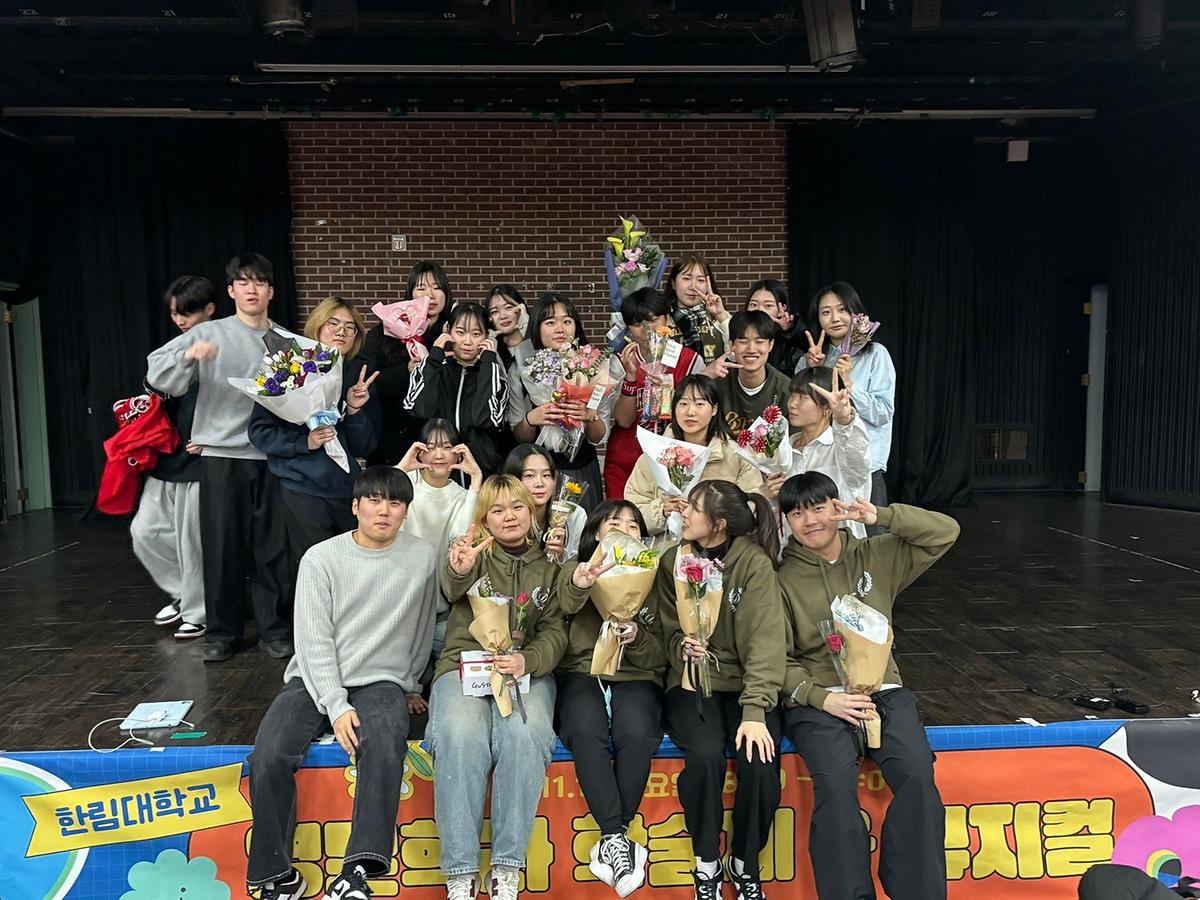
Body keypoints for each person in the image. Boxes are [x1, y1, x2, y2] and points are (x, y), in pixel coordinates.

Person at [246, 466, 438, 900]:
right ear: (355, 507)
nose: (383, 511)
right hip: (315, 677)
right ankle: (276, 875)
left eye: (395, 502)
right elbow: (312, 639)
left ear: (406, 511)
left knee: (385, 743)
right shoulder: (321, 558)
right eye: (374, 500)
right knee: (270, 753)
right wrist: (335, 703)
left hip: (381, 679)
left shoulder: (422, 556)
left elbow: (423, 624)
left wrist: (411, 684)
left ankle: (358, 870)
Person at [777, 472, 960, 900]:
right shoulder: (781, 578)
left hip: (885, 692)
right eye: (797, 514)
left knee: (918, 776)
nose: (810, 521)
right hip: (822, 702)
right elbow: (773, 658)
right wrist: (823, 699)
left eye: (819, 508)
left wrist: (882, 516)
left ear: (837, 508)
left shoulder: (876, 555)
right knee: (836, 789)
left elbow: (946, 533)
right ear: (786, 521)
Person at [428, 475, 579, 900]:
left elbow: (556, 632)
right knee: (460, 734)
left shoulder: (551, 564)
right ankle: (460, 872)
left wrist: (528, 659)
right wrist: (459, 567)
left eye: (517, 507)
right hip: (465, 665)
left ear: (532, 512)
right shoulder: (473, 553)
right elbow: (452, 585)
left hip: (526, 670)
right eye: (497, 510)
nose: (509, 517)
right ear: (484, 520)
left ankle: (506, 867)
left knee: (523, 734)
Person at [146, 252, 297, 663]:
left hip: (270, 456)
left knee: (273, 549)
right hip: (220, 455)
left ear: (271, 291)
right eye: (243, 283)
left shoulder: (286, 341)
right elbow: (157, 374)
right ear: (231, 291)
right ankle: (221, 633)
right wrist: (188, 356)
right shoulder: (208, 332)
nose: (252, 290)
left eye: (259, 282)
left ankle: (275, 630)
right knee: (222, 545)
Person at [653, 480, 786, 900]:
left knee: (760, 761)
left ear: (719, 523)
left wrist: (755, 712)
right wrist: (681, 646)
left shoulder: (753, 565)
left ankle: (745, 863)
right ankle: (706, 863)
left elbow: (766, 643)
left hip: (747, 686)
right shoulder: (674, 559)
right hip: (691, 682)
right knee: (706, 755)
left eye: (694, 508)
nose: (685, 512)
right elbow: (664, 627)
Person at [555, 501, 665, 898]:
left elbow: (661, 654)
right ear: (596, 532)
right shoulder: (576, 567)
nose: (623, 529)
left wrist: (636, 637)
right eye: (613, 522)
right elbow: (564, 604)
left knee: (636, 731)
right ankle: (616, 837)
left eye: (633, 525)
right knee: (586, 729)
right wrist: (582, 582)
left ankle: (613, 838)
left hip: (635, 676)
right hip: (582, 673)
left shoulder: (654, 577)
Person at [249, 297, 381, 568]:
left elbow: (364, 447)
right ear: (317, 327)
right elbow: (260, 432)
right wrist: (303, 442)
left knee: (348, 568)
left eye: (350, 327)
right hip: (300, 488)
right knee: (313, 569)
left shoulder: (358, 377)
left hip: (346, 490)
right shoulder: (287, 368)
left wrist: (354, 410)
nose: (341, 332)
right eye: (334, 323)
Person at [135, 275, 216, 639]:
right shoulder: (180, 345)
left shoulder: (224, 341)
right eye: (174, 313)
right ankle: (183, 593)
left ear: (210, 309)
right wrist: (186, 355)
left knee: (192, 541)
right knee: (146, 531)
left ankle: (199, 611)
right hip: (168, 452)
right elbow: (156, 380)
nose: (181, 320)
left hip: (201, 459)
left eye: (188, 312)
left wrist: (215, 437)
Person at [395, 419, 485, 713]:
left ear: (458, 452)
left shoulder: (461, 496)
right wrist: (402, 469)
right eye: (431, 446)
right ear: (419, 451)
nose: (438, 454)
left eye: (446, 447)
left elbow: (460, 537)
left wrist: (476, 479)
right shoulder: (406, 486)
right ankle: (409, 687)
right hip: (405, 596)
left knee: (447, 661)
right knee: (405, 652)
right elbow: (380, 505)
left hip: (442, 599)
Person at [507, 293, 618, 510]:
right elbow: (518, 435)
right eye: (550, 322)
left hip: (582, 468)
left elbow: (598, 437)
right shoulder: (522, 369)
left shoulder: (593, 368)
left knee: (582, 528)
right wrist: (532, 419)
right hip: (538, 474)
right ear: (537, 327)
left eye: (567, 321)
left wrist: (590, 415)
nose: (560, 329)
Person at [801, 281, 896, 525]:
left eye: (842, 309)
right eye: (826, 312)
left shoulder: (876, 354)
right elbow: (799, 409)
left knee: (870, 537)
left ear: (856, 313)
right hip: (822, 465)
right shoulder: (812, 358)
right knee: (825, 532)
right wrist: (811, 370)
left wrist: (850, 384)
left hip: (864, 466)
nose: (835, 318)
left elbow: (883, 413)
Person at [624, 375, 763, 540]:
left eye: (699, 404)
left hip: (720, 548)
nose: (690, 412)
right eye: (683, 404)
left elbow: (752, 506)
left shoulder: (737, 455)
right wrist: (661, 511)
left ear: (714, 409)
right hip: (665, 549)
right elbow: (630, 515)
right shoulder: (653, 454)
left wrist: (711, 515)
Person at [606, 286, 705, 499]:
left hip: (676, 459)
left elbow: (699, 415)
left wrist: (670, 392)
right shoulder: (621, 360)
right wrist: (631, 378)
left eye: (653, 320)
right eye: (636, 324)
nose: (647, 329)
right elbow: (623, 421)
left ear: (667, 318)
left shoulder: (690, 360)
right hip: (627, 459)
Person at [360, 260, 454, 466]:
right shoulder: (384, 332)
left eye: (437, 287)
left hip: (440, 446)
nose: (430, 295)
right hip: (392, 443)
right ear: (410, 293)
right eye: (421, 288)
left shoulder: (455, 334)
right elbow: (367, 382)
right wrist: (406, 371)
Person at [762, 367, 872, 539]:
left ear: (827, 408)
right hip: (794, 547)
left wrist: (844, 419)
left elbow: (856, 462)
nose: (792, 403)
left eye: (803, 397)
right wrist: (768, 497)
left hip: (840, 546)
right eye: (793, 395)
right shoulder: (783, 448)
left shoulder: (842, 448)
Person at [404, 302, 509, 481]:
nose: (467, 341)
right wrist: (434, 359)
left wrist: (488, 363)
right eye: (460, 332)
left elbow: (482, 418)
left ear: (487, 336)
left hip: (480, 477)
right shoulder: (430, 368)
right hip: (436, 477)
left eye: (476, 334)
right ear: (448, 331)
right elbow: (421, 410)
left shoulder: (495, 377)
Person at [502, 443, 588, 563]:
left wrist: (560, 557)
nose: (539, 483)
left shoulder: (574, 515)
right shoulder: (504, 517)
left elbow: (579, 564)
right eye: (529, 475)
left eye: (546, 475)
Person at [711, 310, 792, 436]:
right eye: (743, 341)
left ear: (771, 345)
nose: (751, 349)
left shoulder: (786, 389)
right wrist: (704, 376)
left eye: (759, 341)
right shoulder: (717, 383)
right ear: (731, 345)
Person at [664, 254, 728, 365]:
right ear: (673, 283)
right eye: (686, 278)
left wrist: (721, 316)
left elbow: (736, 354)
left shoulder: (719, 316)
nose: (693, 286)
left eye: (701, 280)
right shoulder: (661, 317)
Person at [746, 279, 805, 376]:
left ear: (782, 309)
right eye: (753, 304)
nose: (759, 310)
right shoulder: (739, 335)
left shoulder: (789, 344)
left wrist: (789, 330)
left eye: (768, 305)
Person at [486, 283, 529, 371]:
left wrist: (526, 326)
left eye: (508, 307)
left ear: (522, 308)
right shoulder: (490, 350)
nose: (503, 316)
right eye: (494, 312)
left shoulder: (540, 344)